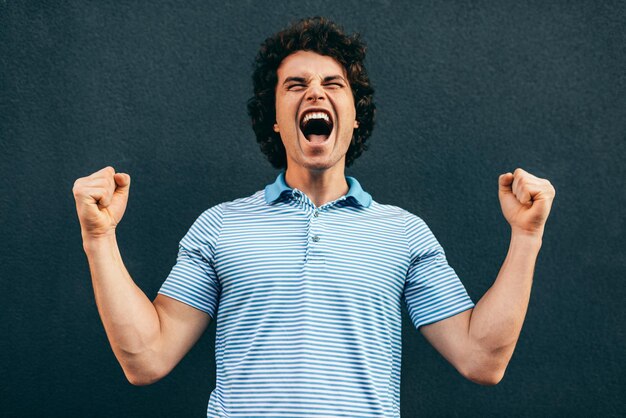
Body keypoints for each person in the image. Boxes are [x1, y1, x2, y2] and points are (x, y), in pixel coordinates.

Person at [72, 16, 556, 418]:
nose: (316, 94)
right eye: (296, 85)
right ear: (277, 118)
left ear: (354, 113)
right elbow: (147, 359)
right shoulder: (220, 226)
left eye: (333, 84)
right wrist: (100, 240)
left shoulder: (403, 233)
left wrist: (526, 236)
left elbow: (481, 359)